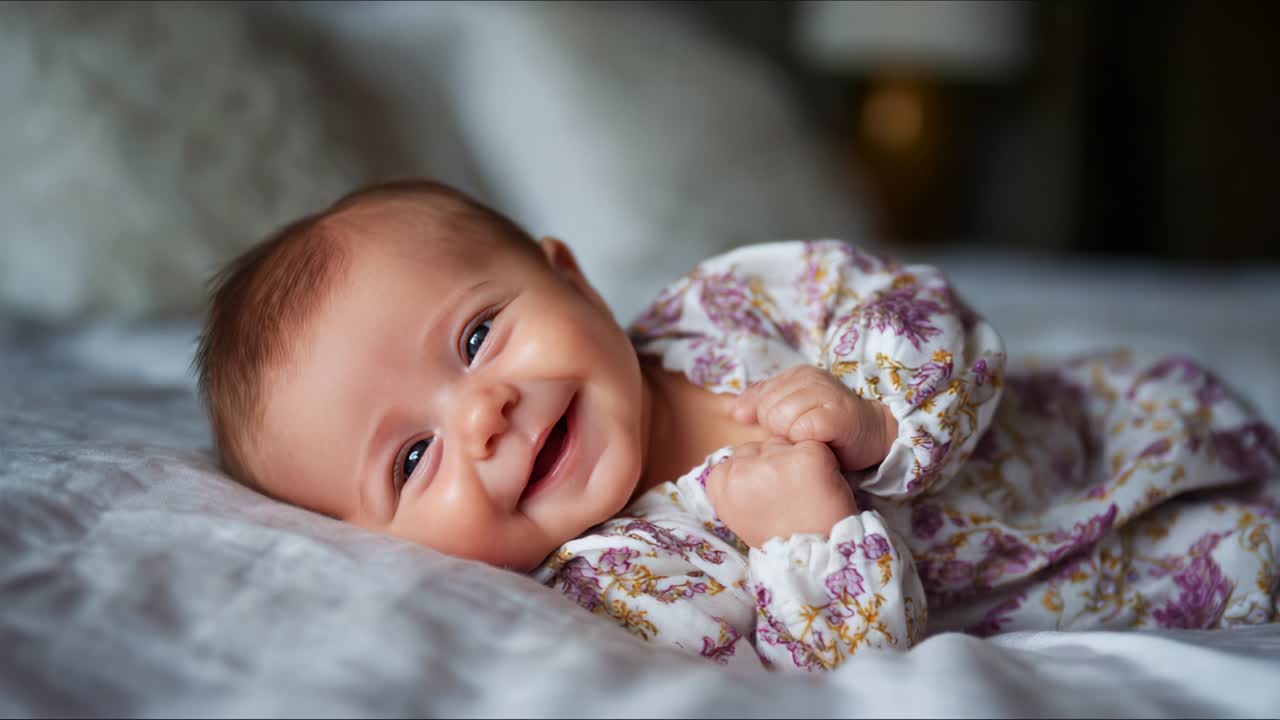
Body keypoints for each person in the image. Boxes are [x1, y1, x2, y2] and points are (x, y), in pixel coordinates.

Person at [195, 178, 1280, 672]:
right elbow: (843, 677)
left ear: (565, 276)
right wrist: (804, 540)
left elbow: (913, 305)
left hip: (1101, 426)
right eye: (413, 456)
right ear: (380, 542)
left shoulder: (728, 305)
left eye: (477, 338)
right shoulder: (625, 587)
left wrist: (872, 417)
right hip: (1123, 575)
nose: (482, 416)